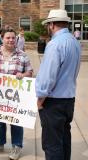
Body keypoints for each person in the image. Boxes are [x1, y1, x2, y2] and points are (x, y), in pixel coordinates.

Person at [0, 28, 33, 160]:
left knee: (15, 121)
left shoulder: (22, 55)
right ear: (2, 39)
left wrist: (23, 74)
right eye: (8, 38)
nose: (11, 40)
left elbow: (30, 72)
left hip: (15, 96)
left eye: (13, 38)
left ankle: (17, 146)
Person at [35, 9, 81, 160]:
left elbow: (48, 77)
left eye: (49, 25)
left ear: (52, 24)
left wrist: (40, 99)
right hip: (69, 99)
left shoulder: (55, 44)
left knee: (52, 144)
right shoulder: (74, 41)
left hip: (54, 102)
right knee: (64, 139)